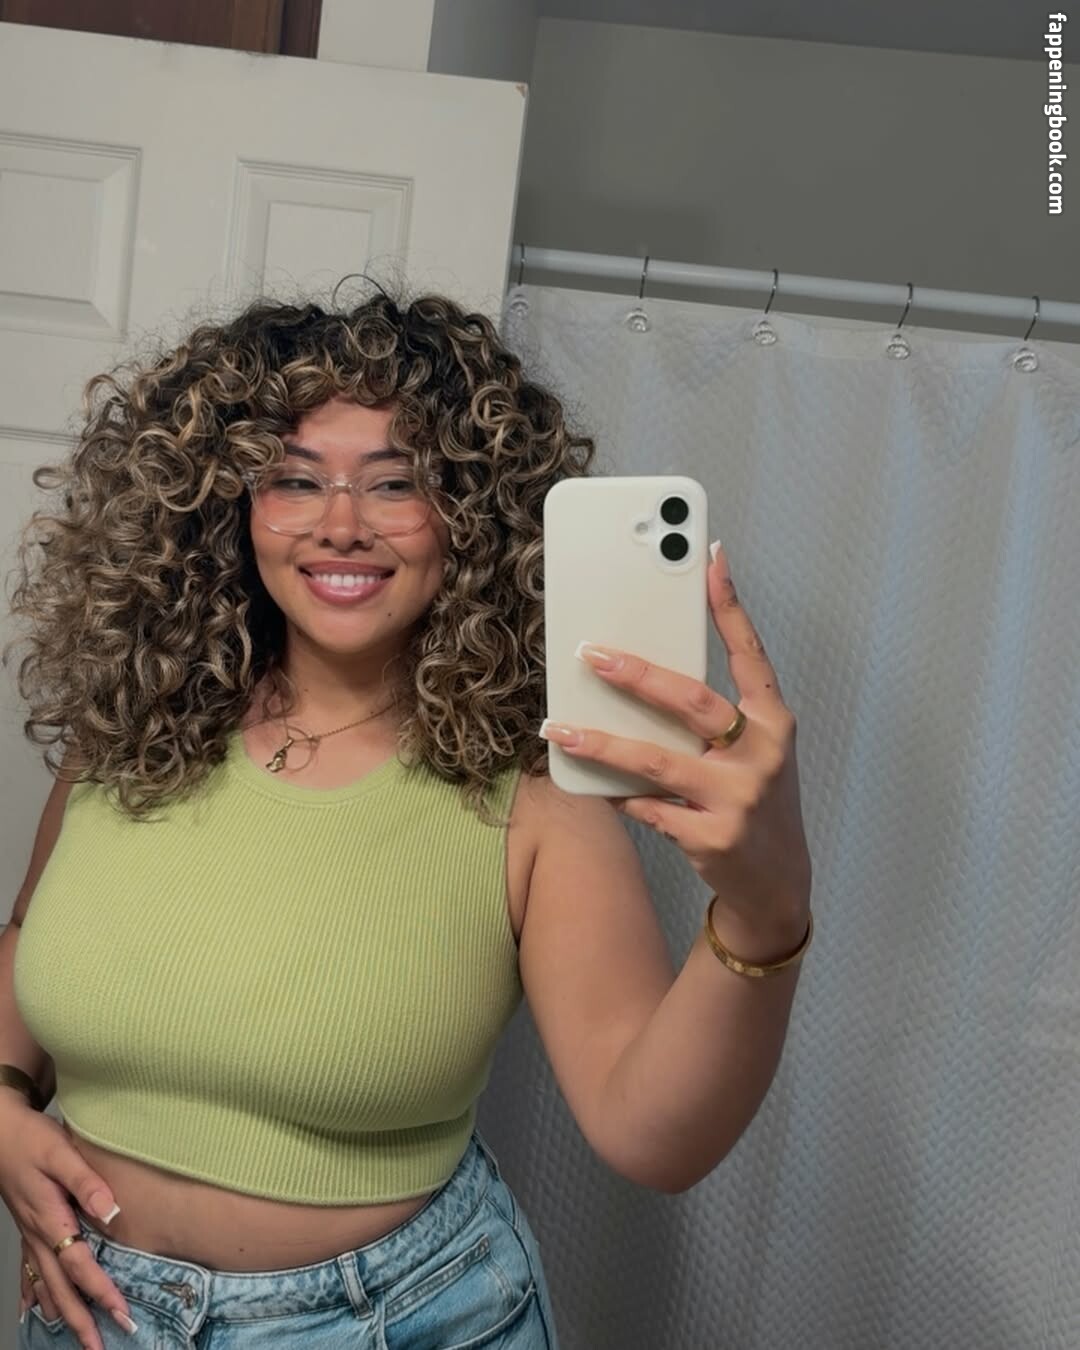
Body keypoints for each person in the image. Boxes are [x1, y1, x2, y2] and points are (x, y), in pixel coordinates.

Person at [0, 279, 814, 1350]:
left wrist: (765, 909)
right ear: (226, 505)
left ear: (471, 516)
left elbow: (650, 1136)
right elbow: (27, 939)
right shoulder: (132, 731)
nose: (341, 524)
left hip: (401, 1320)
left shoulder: (532, 799)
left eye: (397, 484)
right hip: (95, 1314)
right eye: (296, 479)